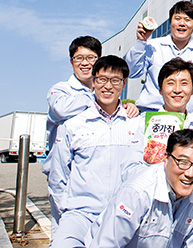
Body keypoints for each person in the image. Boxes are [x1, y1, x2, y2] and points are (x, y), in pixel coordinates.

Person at [43, 38, 138, 240]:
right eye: (79, 58)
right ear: (71, 62)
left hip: (108, 193)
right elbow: (61, 109)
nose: (85, 62)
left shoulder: (130, 120)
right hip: (70, 182)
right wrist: (98, 95)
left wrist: (123, 105)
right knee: (62, 235)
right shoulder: (61, 90)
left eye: (91, 58)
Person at [86, 129, 193, 248]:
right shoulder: (138, 192)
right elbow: (106, 243)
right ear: (166, 159)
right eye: (183, 162)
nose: (190, 173)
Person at [125, 0, 193, 113]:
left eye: (187, 20)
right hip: (152, 114)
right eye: (177, 18)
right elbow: (132, 72)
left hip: (187, 117)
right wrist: (141, 42)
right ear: (170, 22)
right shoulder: (153, 46)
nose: (182, 23)